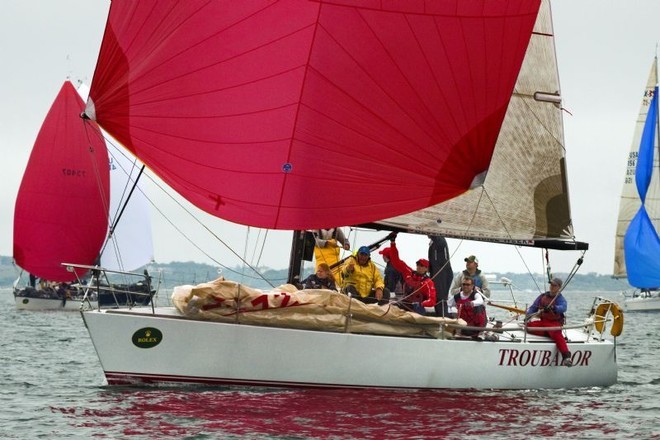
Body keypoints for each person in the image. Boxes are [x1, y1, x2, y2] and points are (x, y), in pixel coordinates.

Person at [525, 277, 573, 367]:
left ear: (559, 287)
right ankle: (547, 333)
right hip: (543, 322)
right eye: (551, 285)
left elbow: (563, 307)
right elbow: (533, 307)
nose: (551, 287)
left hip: (554, 323)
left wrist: (554, 308)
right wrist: (528, 315)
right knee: (528, 327)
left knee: (557, 334)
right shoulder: (542, 296)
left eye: (554, 285)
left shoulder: (559, 298)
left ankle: (566, 357)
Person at [384, 237, 436, 315]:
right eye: (418, 264)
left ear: (426, 269)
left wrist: (422, 304)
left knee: (419, 312)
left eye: (422, 265)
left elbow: (432, 300)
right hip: (404, 303)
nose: (419, 266)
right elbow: (396, 261)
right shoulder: (409, 272)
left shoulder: (428, 282)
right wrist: (393, 243)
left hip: (417, 308)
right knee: (389, 308)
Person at [428, 235, 453, 316]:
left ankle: (443, 319)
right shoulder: (433, 243)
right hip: (437, 274)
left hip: (441, 274)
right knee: (438, 298)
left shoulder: (439, 241)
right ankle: (441, 317)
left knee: (441, 298)